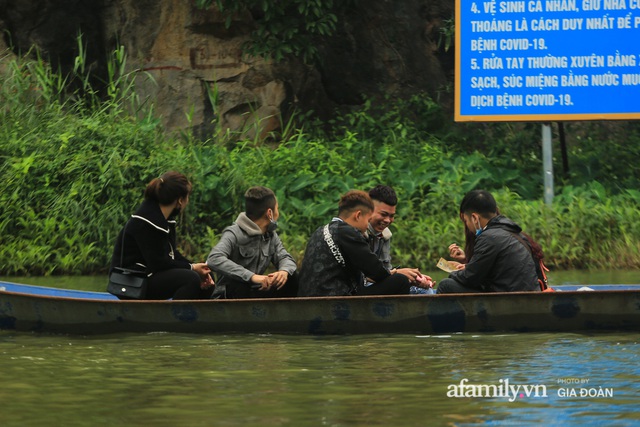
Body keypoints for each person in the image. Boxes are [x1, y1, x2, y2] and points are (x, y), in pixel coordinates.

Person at [110, 171, 214, 300]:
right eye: (187, 197)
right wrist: (192, 268)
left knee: (206, 276)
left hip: (150, 275)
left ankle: (200, 318)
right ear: (180, 200)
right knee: (190, 279)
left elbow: (172, 254)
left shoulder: (165, 219)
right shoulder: (145, 222)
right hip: (132, 282)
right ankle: (174, 318)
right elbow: (159, 263)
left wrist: (199, 267)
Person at [298, 190, 417, 297]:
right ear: (358, 215)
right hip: (334, 300)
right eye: (368, 220)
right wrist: (398, 273)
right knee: (400, 281)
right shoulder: (348, 232)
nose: (367, 226)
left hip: (308, 296)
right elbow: (377, 272)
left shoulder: (320, 230)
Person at [436, 190, 540, 294]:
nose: (467, 226)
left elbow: (470, 278)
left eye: (466, 221)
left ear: (475, 218)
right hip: (526, 298)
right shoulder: (516, 234)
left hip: (509, 302)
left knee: (446, 285)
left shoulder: (488, 237)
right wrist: (468, 266)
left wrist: (455, 271)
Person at [206, 186, 298, 299]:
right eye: (277, 209)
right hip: (231, 295)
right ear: (270, 213)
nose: (278, 213)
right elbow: (214, 258)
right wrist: (252, 277)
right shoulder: (234, 233)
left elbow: (285, 257)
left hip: (257, 291)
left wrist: (283, 272)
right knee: (240, 284)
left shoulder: (270, 235)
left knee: (292, 277)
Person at [367, 185, 435, 292]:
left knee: (425, 290)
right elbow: (363, 278)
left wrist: (413, 278)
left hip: (379, 282)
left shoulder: (384, 234)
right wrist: (398, 273)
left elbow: (386, 269)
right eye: (383, 214)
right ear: (368, 210)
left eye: (391, 216)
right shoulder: (356, 233)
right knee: (400, 280)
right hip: (361, 287)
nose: (387, 220)